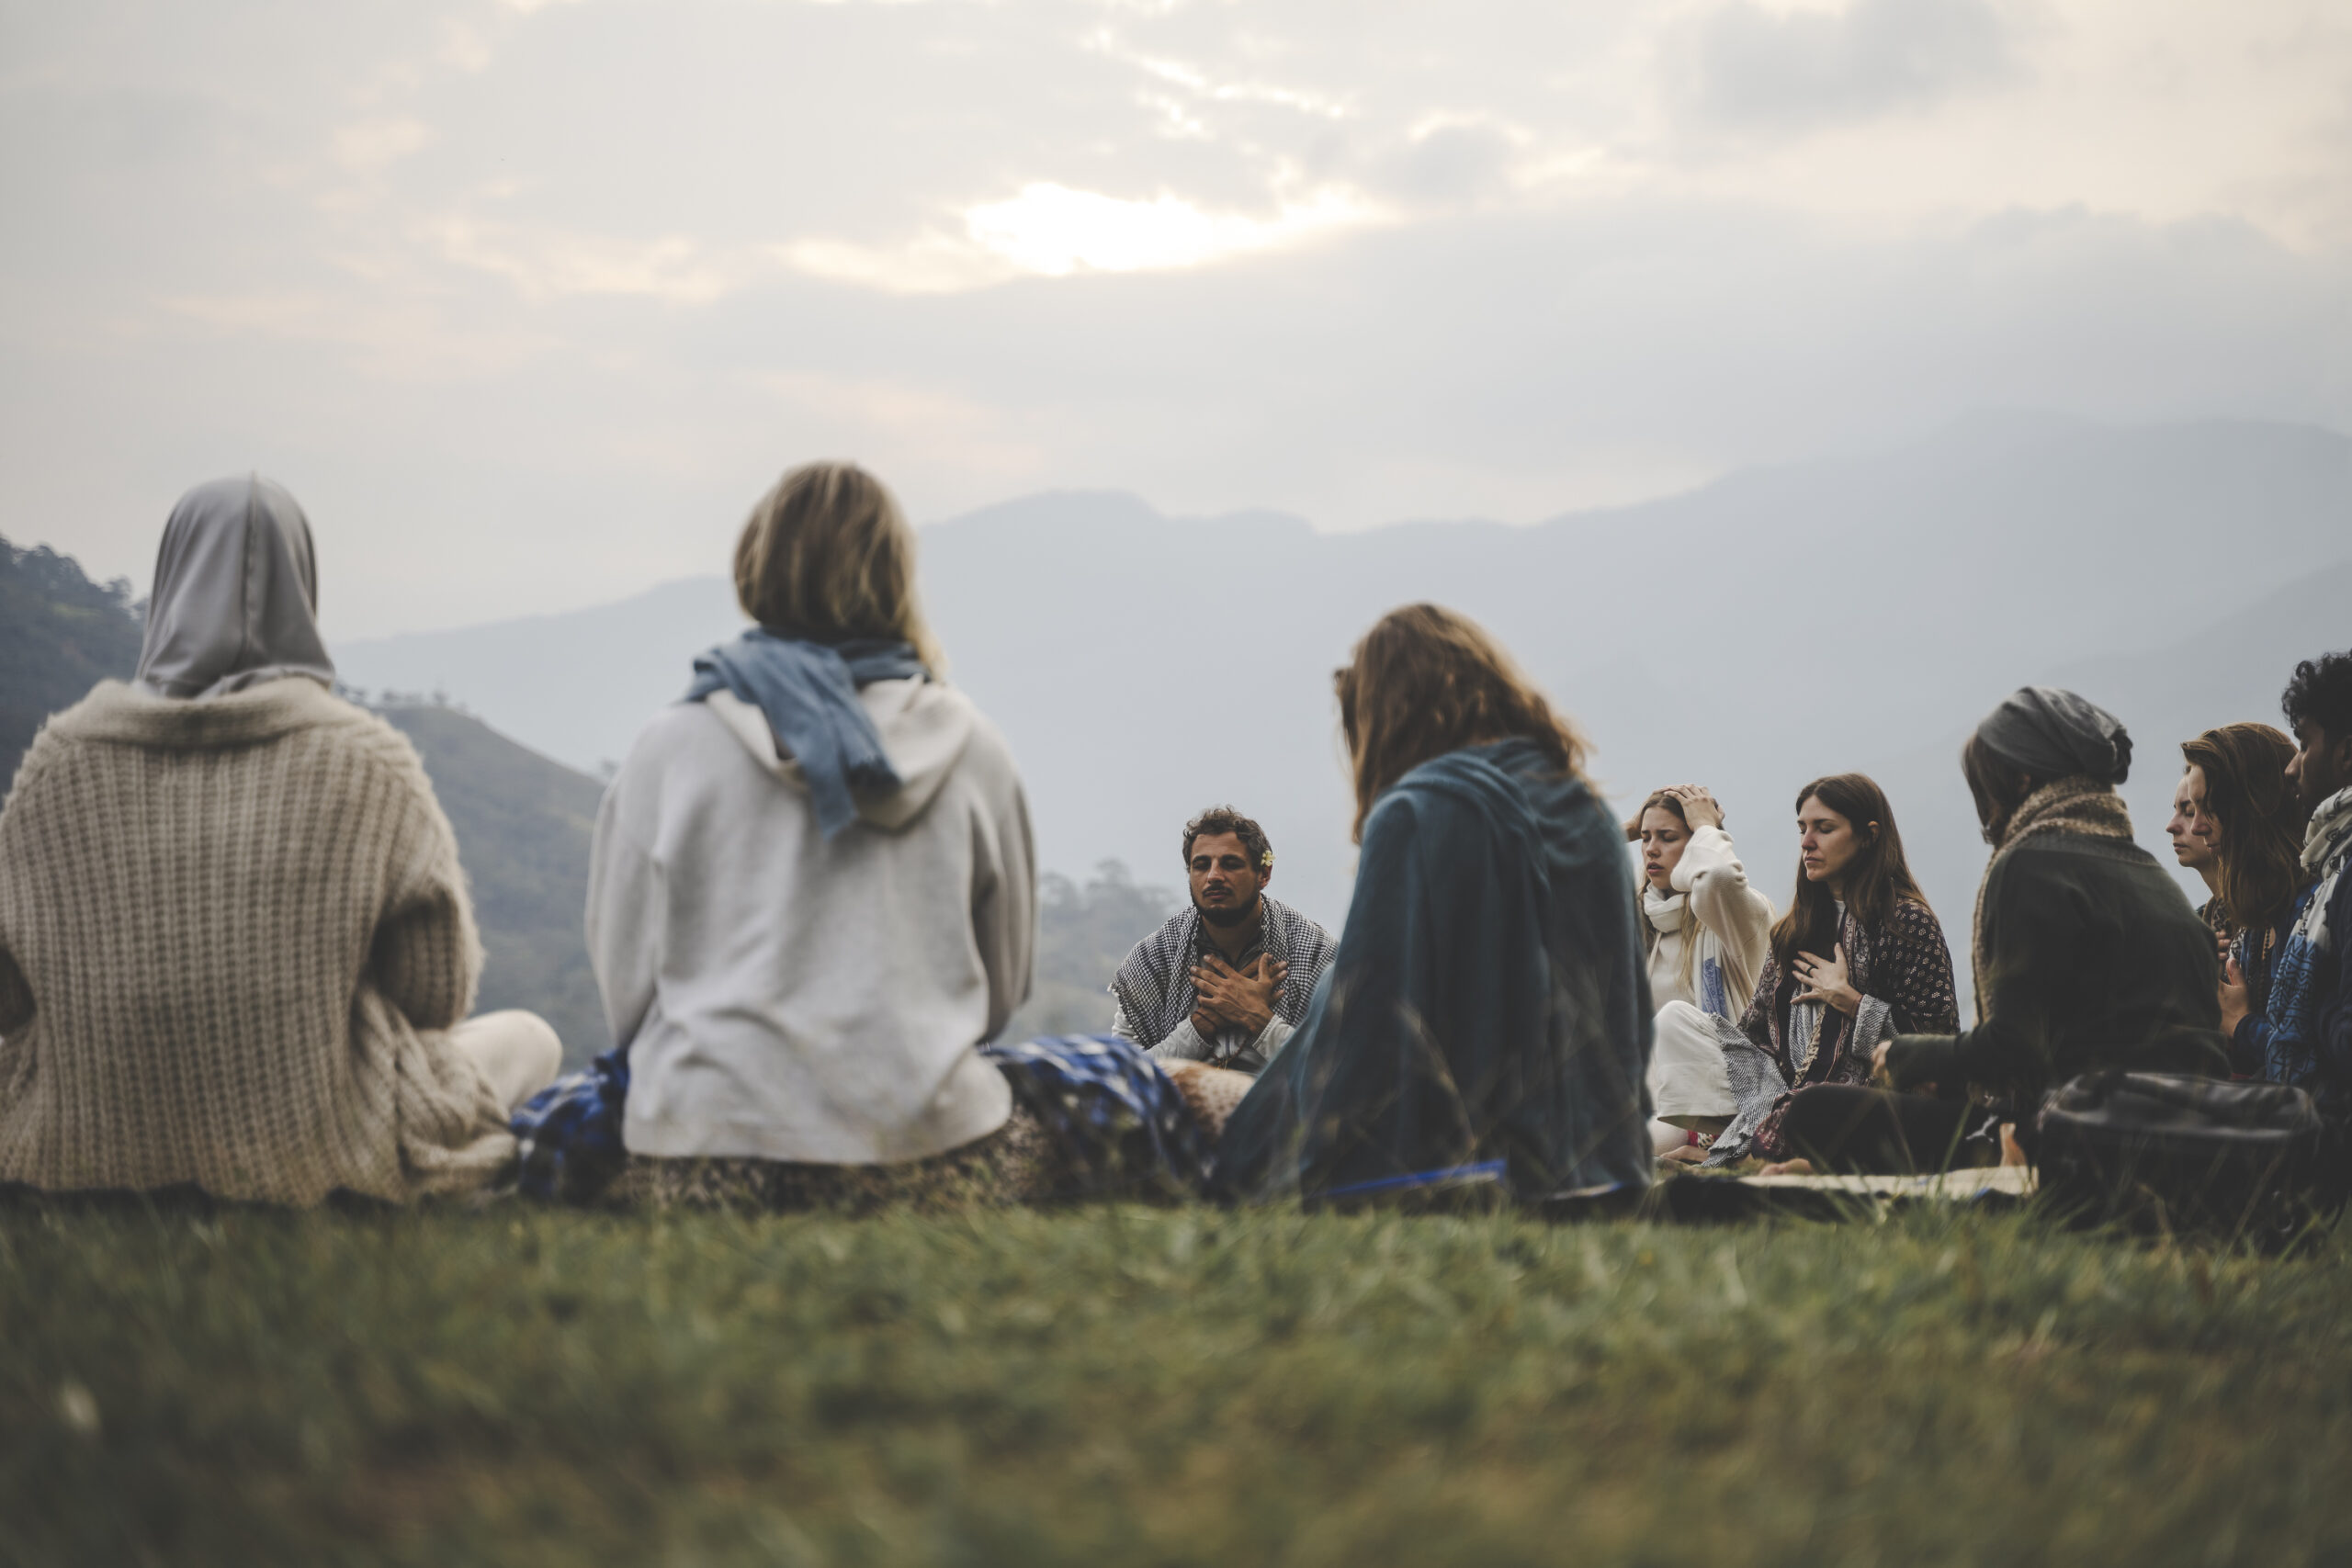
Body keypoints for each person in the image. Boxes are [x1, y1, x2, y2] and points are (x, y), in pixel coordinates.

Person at [0, 476, 560, 1204]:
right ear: (306, 586)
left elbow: (10, 1004)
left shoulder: (58, 767)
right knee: (531, 1037)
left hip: (82, 1148)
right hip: (322, 1150)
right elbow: (432, 994)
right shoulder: (368, 762)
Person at [565, 461, 1043, 1210]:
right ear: (895, 575)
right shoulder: (974, 747)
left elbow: (626, 987)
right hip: (929, 1155)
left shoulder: (672, 745)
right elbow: (1002, 985)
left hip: (704, 1155)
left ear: (756, 565)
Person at [1213, 604, 1653, 1202]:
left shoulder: (1417, 812)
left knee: (1155, 1099)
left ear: (1386, 720)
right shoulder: (1592, 812)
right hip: (1600, 1168)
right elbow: (1627, 1019)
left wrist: (1292, 1167)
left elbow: (1367, 1028)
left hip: (1442, 1171)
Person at [1784, 688, 2229, 1174]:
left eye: (1984, 781)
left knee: (1815, 1112)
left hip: (2082, 1132)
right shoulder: (2150, 873)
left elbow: (2016, 1050)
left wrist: (1910, 1056)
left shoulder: (2030, 864)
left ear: (2019, 780)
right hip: (2190, 1133)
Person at [1701, 773, 1958, 1168]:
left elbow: (1940, 1045)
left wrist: (1855, 1003)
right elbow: (1755, 1030)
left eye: (1824, 829)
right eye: (1803, 828)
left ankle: (1762, 1149)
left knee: (1814, 1105)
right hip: (1782, 1085)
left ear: (1868, 836)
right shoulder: (1793, 930)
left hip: (1872, 1097)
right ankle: (1759, 1132)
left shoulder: (1906, 921)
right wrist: (1768, 1093)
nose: (1806, 843)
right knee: (1677, 1026)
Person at [1109, 807, 1334, 1074]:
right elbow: (1122, 1077)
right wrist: (1203, 1023)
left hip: (1280, 1113)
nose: (1214, 876)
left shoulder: (1315, 953)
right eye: (1201, 865)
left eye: (1230, 864)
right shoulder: (1155, 957)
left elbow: (1335, 1073)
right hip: (1180, 1112)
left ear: (1264, 874)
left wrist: (1257, 1018)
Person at [1627, 785, 1774, 1160]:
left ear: (1696, 847)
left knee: (1613, 1153)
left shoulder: (1738, 915)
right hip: (1644, 1092)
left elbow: (1717, 879)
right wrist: (1627, 830)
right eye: (1645, 839)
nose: (1651, 849)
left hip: (1719, 1097)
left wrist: (1707, 825)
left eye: (1667, 837)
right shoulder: (1640, 919)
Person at [2240, 651, 2352, 1123]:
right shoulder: (2333, 872)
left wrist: (2247, 1025)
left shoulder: (2337, 884)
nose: (2292, 767)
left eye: (2304, 744)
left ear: (2346, 753)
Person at [2180, 724, 2310, 1076]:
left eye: (2208, 808)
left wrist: (2241, 1025)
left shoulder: (2313, 910)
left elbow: (2321, 1063)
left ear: (2252, 803)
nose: (2197, 827)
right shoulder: (2256, 917)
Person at [2164, 762, 2224, 929]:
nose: (2170, 826)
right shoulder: (2196, 929)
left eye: (2189, 812)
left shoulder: (2264, 923)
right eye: (2176, 810)